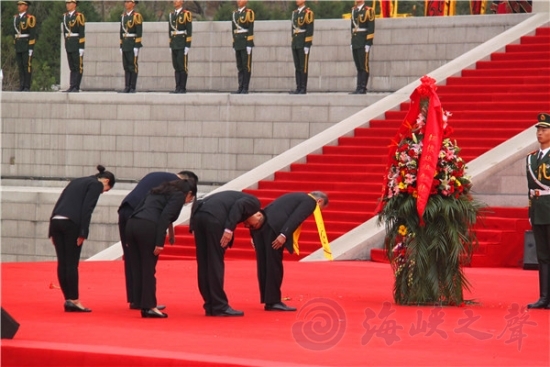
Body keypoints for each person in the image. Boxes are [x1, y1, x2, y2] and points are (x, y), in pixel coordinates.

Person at [118, 170, 198, 310]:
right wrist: (159, 242)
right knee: (148, 265)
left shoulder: (160, 188)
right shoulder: (177, 191)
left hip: (130, 218)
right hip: (146, 223)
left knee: (133, 261)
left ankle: (136, 299)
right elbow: (165, 217)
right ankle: (148, 304)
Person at [244, 191, 328, 311]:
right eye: (320, 209)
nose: (316, 212)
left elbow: (266, 210)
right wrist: (284, 234)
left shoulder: (294, 196)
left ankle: (268, 299)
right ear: (319, 201)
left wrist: (253, 232)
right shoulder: (310, 201)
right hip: (275, 230)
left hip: (262, 227)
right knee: (274, 265)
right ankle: (273, 301)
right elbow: (296, 218)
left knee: (264, 265)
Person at [49, 165, 116, 313]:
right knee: (72, 263)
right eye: (107, 189)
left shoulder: (76, 181)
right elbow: (87, 208)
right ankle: (74, 300)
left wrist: (51, 230)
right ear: (106, 180)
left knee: (63, 262)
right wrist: (83, 232)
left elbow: (60, 202)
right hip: (72, 224)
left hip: (56, 221)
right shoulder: (96, 184)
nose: (104, 192)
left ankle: (68, 299)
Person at [190, 191, 261, 316]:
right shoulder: (254, 202)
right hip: (214, 220)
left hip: (199, 217)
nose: (247, 226)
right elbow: (239, 206)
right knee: (214, 262)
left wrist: (193, 226)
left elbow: (199, 201)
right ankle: (219, 306)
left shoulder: (229, 197)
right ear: (258, 214)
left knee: (203, 263)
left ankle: (210, 304)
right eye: (252, 225)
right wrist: (229, 228)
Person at [526, 112, 550, 310]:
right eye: (538, 130)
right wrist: (530, 211)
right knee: (542, 255)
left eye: (544, 129)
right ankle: (544, 297)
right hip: (538, 209)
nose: (540, 133)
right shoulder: (531, 159)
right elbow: (530, 189)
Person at [350, 0, 375, 95]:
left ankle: (363, 87)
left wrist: (368, 43)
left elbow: (371, 28)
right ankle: (358, 87)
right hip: (356, 41)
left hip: (363, 41)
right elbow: (352, 28)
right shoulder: (354, 10)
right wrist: (352, 41)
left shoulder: (368, 10)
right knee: (358, 65)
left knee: (364, 65)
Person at [289, 0, 314, 95]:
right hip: (296, 43)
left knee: (303, 66)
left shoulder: (308, 13)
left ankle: (303, 88)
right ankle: (298, 87)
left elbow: (309, 29)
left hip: (303, 43)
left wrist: (307, 44)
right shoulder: (295, 13)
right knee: (297, 66)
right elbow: (293, 29)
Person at [169, 0, 193, 94]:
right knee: (176, 66)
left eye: (177, 0)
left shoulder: (186, 14)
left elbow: (189, 30)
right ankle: (177, 87)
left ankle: (182, 87)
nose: (175, 2)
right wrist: (170, 44)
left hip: (182, 43)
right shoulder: (171, 15)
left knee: (182, 66)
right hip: (174, 43)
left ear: (182, 2)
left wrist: (187, 45)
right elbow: (170, 31)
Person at [231, 0, 254, 94]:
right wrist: (234, 43)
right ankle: (240, 87)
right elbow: (233, 29)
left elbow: (250, 28)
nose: (238, 1)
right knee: (239, 66)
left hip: (245, 42)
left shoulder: (249, 13)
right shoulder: (235, 14)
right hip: (238, 42)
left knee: (246, 66)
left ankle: (245, 87)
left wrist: (249, 43)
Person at [62, 0, 86, 93]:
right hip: (69, 43)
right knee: (72, 66)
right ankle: (72, 85)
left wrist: (81, 46)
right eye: (66, 3)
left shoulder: (79, 16)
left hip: (76, 43)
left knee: (78, 66)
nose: (67, 5)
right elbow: (65, 32)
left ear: (74, 4)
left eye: (69, 3)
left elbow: (81, 32)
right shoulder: (65, 17)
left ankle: (76, 86)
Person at [119, 0, 143, 93]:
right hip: (125, 43)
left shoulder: (136, 16)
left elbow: (139, 31)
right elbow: (121, 32)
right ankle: (127, 86)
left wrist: (137, 46)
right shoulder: (123, 16)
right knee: (126, 66)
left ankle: (132, 86)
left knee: (133, 66)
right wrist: (121, 45)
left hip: (132, 43)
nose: (126, 3)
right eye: (125, 2)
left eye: (128, 2)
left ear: (133, 4)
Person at [13, 1, 36, 91]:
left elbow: (32, 34)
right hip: (19, 44)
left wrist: (31, 48)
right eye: (18, 5)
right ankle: (21, 85)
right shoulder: (16, 18)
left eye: (21, 5)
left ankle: (27, 85)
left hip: (26, 45)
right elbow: (14, 33)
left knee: (27, 66)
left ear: (26, 6)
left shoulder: (30, 18)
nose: (19, 7)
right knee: (20, 66)